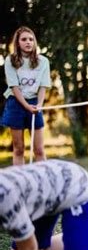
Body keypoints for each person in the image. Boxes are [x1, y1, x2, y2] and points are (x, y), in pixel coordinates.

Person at [1, 27, 50, 165]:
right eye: (24, 39)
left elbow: (43, 85)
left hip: (35, 102)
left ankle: (44, 183)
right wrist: (26, 106)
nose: (28, 42)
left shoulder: (43, 61)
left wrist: (39, 105)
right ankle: (20, 184)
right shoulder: (10, 60)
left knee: (39, 149)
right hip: (16, 103)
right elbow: (14, 87)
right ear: (17, 43)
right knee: (19, 149)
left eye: (31, 39)